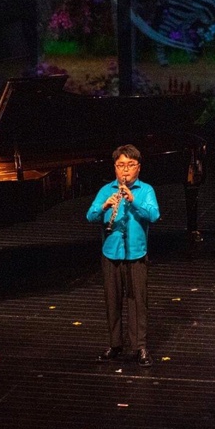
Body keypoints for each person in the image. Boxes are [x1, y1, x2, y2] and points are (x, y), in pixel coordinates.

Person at [86, 145, 160, 367]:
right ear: (115, 168)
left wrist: (133, 200)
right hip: (111, 253)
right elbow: (90, 216)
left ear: (138, 167)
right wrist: (104, 206)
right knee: (113, 301)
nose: (125, 170)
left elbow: (154, 215)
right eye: (120, 165)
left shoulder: (146, 190)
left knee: (137, 302)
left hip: (136, 253)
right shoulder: (106, 190)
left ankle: (140, 347)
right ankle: (115, 344)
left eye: (130, 165)